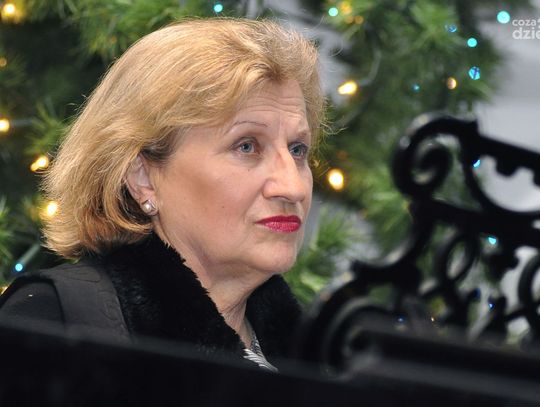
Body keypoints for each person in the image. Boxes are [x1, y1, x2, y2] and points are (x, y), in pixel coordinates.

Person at [0, 18, 324, 371]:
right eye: (246, 146)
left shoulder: (314, 358)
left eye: (297, 150)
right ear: (142, 177)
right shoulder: (55, 323)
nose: (292, 187)